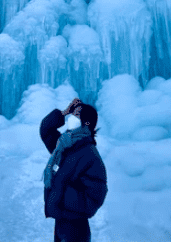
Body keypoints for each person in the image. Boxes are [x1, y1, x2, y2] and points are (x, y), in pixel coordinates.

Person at [40, 98, 108, 242]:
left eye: (76, 115)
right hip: (61, 223)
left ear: (86, 123)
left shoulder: (90, 154)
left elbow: (97, 195)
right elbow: (46, 130)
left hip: (76, 228)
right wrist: (64, 112)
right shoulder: (64, 147)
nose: (72, 117)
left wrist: (63, 197)